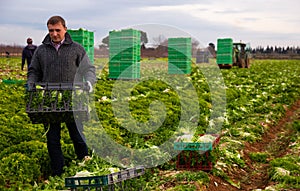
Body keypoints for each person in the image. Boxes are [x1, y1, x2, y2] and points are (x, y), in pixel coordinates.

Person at [27, 15, 96, 176]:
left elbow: (89, 69)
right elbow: (34, 71)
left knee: (78, 136)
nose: (55, 34)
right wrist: (31, 82)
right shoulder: (41, 50)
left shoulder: (76, 49)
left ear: (65, 29)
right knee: (52, 140)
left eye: (58, 30)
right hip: (50, 102)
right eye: (51, 30)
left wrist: (90, 83)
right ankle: (58, 173)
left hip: (72, 100)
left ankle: (85, 166)